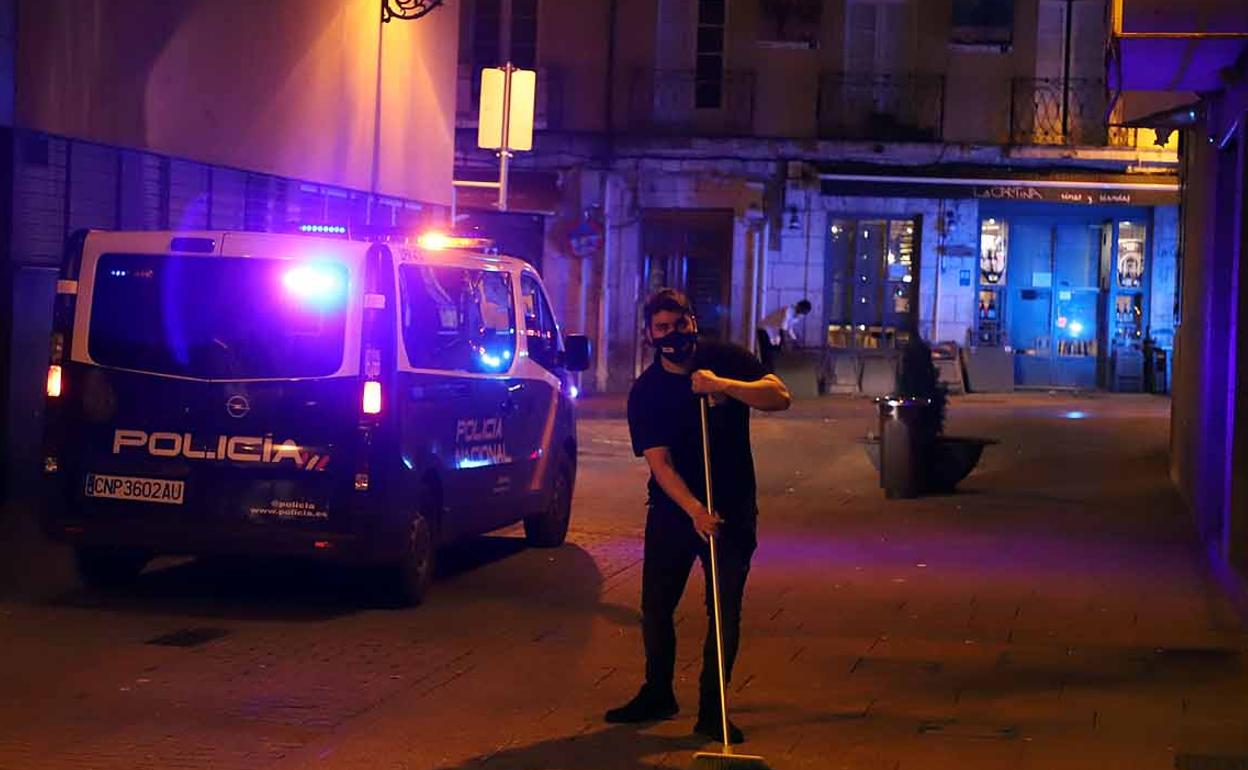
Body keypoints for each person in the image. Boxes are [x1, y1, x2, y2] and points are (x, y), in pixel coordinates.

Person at [605, 288, 792, 744]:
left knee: (723, 612)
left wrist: (724, 386)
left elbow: (779, 396)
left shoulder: (724, 358)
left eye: (679, 324)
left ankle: (714, 710)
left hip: (732, 510)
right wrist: (694, 512)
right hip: (675, 513)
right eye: (662, 328)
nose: (673, 335)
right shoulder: (646, 392)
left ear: (693, 322)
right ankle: (658, 693)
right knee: (656, 608)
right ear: (650, 334)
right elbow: (660, 464)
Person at [756, 299, 812, 373]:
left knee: (775, 353)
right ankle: (766, 372)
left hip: (773, 333)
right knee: (767, 353)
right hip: (764, 329)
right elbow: (783, 330)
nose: (802, 314)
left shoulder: (796, 316)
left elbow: (790, 329)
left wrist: (795, 340)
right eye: (803, 312)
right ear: (799, 307)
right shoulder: (788, 311)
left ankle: (771, 370)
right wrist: (785, 345)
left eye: (804, 313)